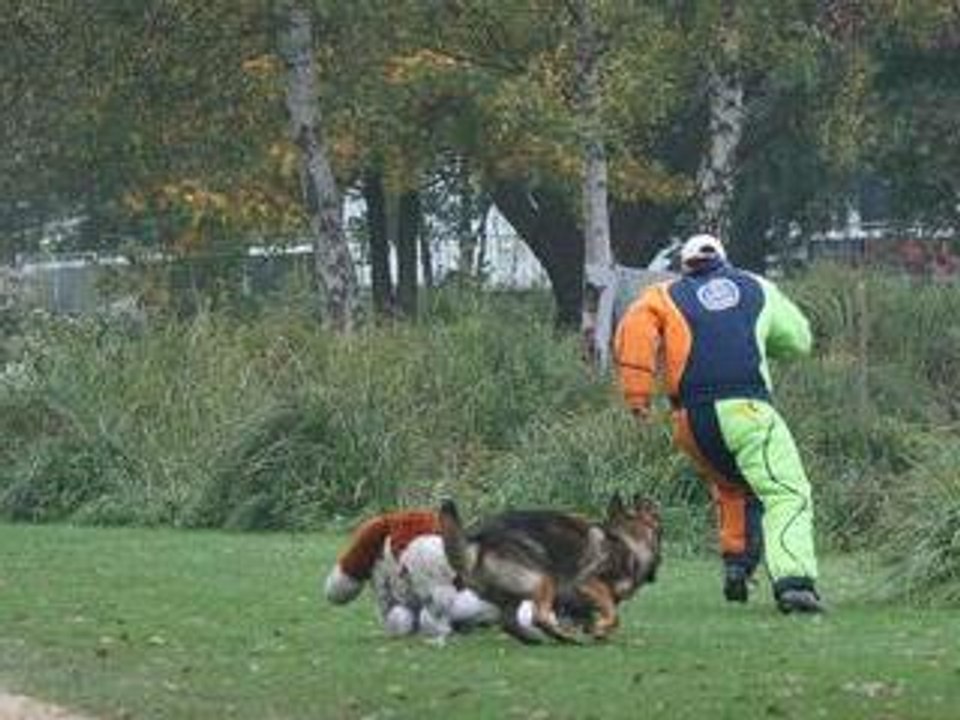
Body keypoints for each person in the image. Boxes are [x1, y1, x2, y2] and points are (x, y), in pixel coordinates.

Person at [613, 233, 823, 614]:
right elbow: (798, 340)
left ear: (684, 266)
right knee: (786, 492)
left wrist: (637, 396)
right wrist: (762, 340)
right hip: (747, 410)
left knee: (732, 486)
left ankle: (737, 565)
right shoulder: (756, 286)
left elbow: (634, 330)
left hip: (691, 421)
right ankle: (795, 583)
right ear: (723, 259)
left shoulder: (661, 295)